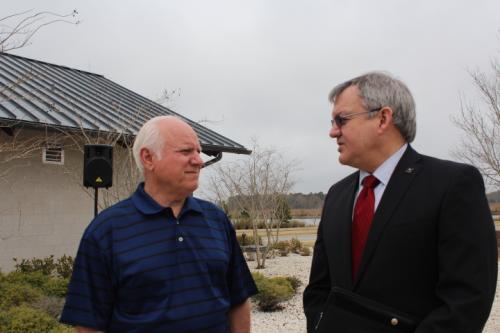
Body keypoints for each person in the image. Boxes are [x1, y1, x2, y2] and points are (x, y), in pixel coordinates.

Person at [303, 72, 497, 332]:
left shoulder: (452, 184)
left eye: (342, 119)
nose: (332, 131)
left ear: (383, 118)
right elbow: (319, 290)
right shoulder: (337, 195)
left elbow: (466, 300)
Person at [61, 116, 257, 333]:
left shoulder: (216, 220)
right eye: (185, 152)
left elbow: (238, 301)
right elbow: (89, 325)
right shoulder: (105, 231)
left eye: (198, 151)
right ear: (148, 158)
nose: (199, 160)